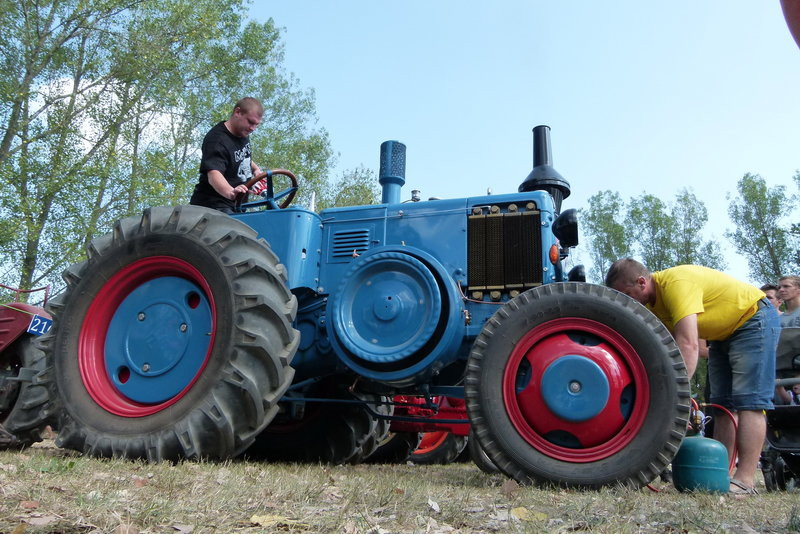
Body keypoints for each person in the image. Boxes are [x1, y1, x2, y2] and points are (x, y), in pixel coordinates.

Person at [605, 259, 780, 495]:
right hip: (721, 335)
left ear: (642, 282)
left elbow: (687, 344)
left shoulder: (677, 284)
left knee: (750, 401)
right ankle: (720, 475)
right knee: (722, 405)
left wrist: (677, 395)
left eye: (627, 294)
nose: (627, 301)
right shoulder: (649, 305)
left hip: (753, 319)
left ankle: (745, 480)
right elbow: (664, 351)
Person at [190, 97, 264, 214]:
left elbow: (241, 157)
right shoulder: (217, 139)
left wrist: (256, 169)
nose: (253, 128)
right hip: (213, 206)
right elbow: (214, 174)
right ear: (237, 112)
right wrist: (231, 192)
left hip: (236, 206)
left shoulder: (242, 133)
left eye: (256, 124)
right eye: (250, 122)